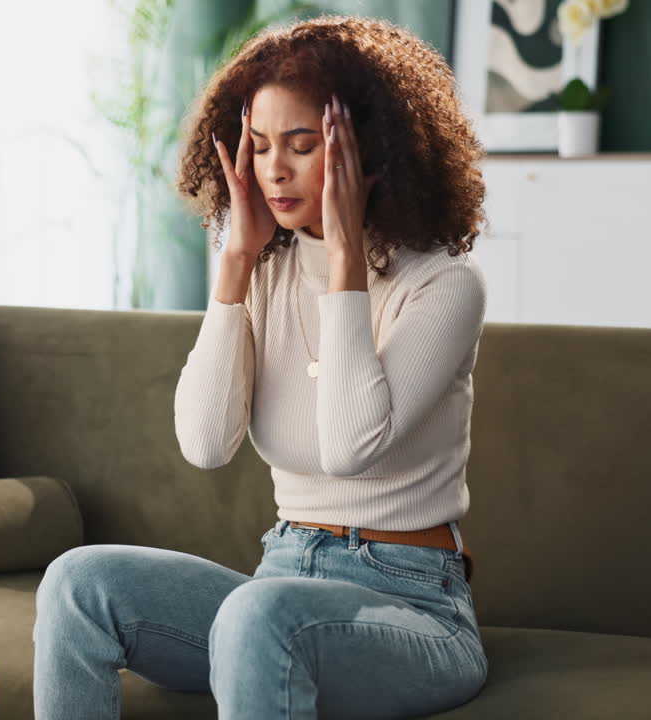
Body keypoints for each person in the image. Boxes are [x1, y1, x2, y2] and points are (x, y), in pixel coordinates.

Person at [34, 15, 489, 719]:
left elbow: (350, 448)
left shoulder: (442, 285)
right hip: (280, 579)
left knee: (258, 614)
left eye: (302, 146)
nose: (275, 168)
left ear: (366, 150)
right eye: (262, 145)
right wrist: (237, 262)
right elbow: (206, 443)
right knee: (77, 582)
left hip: (413, 606)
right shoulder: (265, 271)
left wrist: (344, 260)